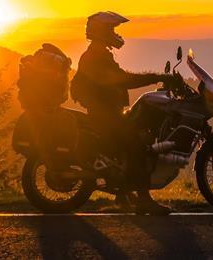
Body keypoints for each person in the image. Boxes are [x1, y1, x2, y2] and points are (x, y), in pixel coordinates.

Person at [70, 11, 176, 215]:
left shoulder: (100, 53)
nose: (113, 33)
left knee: (135, 136)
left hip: (109, 113)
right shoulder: (95, 56)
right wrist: (156, 77)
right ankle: (144, 200)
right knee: (138, 146)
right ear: (100, 31)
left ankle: (123, 193)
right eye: (110, 29)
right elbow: (122, 79)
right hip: (104, 116)